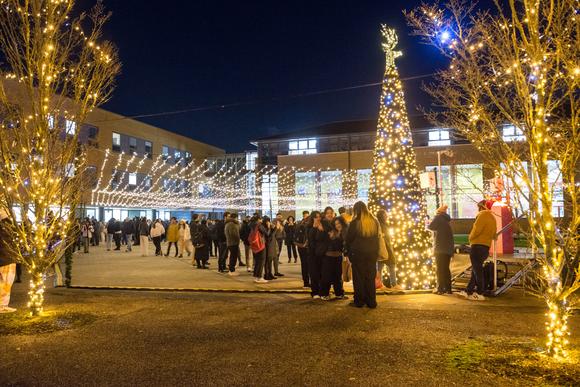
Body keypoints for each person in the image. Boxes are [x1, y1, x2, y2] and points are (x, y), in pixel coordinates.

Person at [345, 201, 380, 308]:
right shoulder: (374, 221)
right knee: (370, 277)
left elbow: (349, 239)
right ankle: (371, 301)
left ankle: (359, 301)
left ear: (356, 210)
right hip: (372, 253)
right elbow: (377, 238)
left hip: (358, 254)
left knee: (359, 278)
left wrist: (347, 252)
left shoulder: (355, 222)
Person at [463, 200, 497, 301]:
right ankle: (468, 291)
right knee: (475, 270)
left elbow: (476, 229)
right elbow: (494, 233)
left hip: (477, 245)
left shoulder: (482, 215)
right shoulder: (492, 217)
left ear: (482, 207)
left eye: (479, 207)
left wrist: (470, 238)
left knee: (477, 271)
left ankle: (480, 292)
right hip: (486, 246)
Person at [428, 205, 455, 295]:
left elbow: (430, 227)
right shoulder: (446, 220)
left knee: (440, 269)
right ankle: (448, 289)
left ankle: (440, 289)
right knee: (446, 269)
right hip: (448, 249)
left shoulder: (439, 218)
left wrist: (436, 215)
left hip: (440, 249)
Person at [320, 216, 348, 301]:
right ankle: (324, 293)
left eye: (339, 223)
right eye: (335, 224)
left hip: (338, 257)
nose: (337, 225)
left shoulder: (345, 232)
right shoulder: (332, 232)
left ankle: (339, 293)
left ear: (342, 223)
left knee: (338, 276)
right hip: (329, 257)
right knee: (327, 276)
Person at [376, 209, 400, 290]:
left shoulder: (379, 224)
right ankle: (394, 284)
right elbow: (385, 239)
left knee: (379, 267)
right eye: (385, 214)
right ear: (382, 216)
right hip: (386, 249)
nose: (387, 216)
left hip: (381, 249)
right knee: (391, 265)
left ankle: (379, 284)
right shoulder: (382, 225)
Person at [307, 211, 329, 299]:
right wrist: (314, 228)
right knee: (313, 274)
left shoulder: (323, 226)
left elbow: (325, 239)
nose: (318, 218)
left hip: (321, 254)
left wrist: (322, 230)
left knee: (321, 274)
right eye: (316, 217)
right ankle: (315, 292)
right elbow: (310, 240)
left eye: (319, 217)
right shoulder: (309, 227)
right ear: (312, 218)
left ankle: (321, 292)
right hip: (312, 254)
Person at [0, 209, 17, 313]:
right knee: (6, 282)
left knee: (4, 282)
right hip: (6, 258)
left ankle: (2, 304)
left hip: (6, 257)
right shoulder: (5, 227)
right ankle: (2, 305)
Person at [249, 215, 268, 283]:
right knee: (261, 261)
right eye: (261, 219)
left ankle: (256, 276)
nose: (262, 220)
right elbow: (266, 233)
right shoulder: (259, 225)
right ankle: (259, 277)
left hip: (254, 246)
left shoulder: (251, 225)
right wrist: (268, 227)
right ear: (258, 220)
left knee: (257, 261)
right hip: (260, 245)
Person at [294, 211, 310, 288]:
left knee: (305, 265)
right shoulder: (304, 224)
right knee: (306, 265)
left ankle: (306, 283)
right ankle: (306, 282)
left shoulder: (299, 223)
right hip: (304, 246)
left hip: (300, 246)